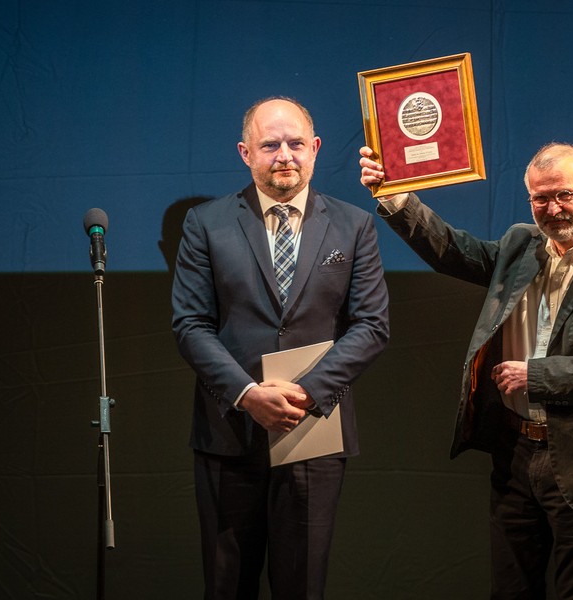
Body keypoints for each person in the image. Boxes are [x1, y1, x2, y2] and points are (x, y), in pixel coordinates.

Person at [359, 142, 573, 599]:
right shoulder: (521, 244)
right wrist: (396, 196)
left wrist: (535, 376)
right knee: (510, 591)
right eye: (540, 198)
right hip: (515, 454)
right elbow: (451, 251)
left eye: (563, 194)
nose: (553, 208)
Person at [172, 97, 389, 600]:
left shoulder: (354, 225)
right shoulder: (206, 224)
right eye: (270, 145)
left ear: (315, 149)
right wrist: (249, 394)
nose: (284, 155)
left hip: (311, 431)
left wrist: (304, 394)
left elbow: (372, 326)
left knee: (302, 586)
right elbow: (190, 324)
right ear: (246, 152)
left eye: (295, 143)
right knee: (228, 585)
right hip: (230, 434)